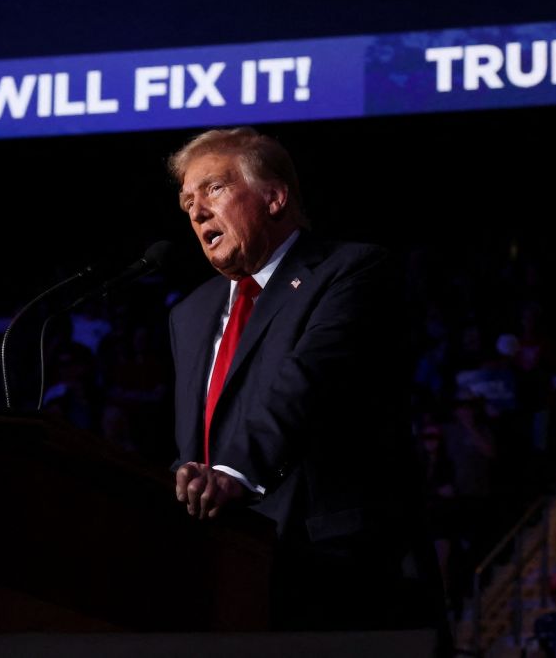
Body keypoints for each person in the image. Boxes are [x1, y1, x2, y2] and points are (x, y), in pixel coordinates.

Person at [166, 127, 441, 632]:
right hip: (224, 569)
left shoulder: (349, 271)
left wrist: (233, 473)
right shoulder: (190, 313)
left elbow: (306, 382)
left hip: (334, 568)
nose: (197, 212)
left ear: (274, 197)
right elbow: (194, 440)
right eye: (187, 202)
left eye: (215, 189)